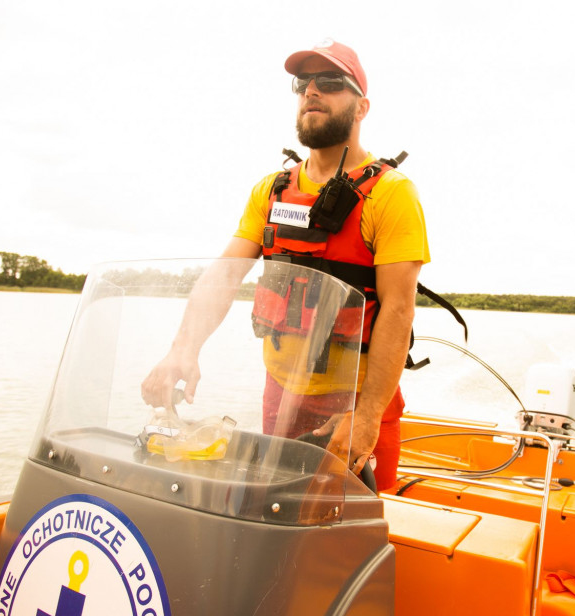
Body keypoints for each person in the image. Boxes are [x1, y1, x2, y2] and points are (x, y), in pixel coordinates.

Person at [141, 40, 429, 491]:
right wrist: (182, 349)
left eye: (331, 82)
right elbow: (224, 275)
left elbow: (398, 309)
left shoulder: (392, 195)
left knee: (360, 541)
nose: (312, 91)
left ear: (361, 107)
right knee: (283, 531)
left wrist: (367, 415)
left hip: (358, 405)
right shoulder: (270, 191)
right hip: (283, 396)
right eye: (303, 83)